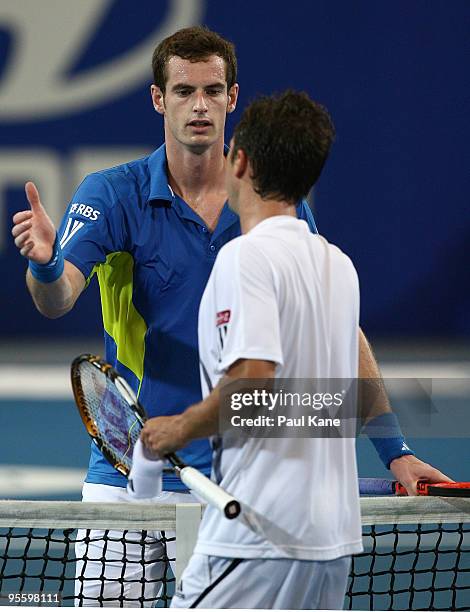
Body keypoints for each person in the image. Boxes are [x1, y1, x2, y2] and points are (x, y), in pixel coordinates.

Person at [11, 25, 450, 608]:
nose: (199, 105)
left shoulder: (270, 209)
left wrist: (393, 449)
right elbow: (60, 295)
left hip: (227, 484)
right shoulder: (112, 194)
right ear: (158, 100)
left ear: (232, 97)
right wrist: (45, 267)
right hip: (127, 479)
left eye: (212, 91)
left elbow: (337, 325)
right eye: (185, 90)